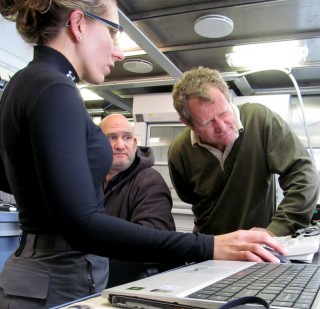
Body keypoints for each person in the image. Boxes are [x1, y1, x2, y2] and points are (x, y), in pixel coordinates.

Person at [0, 1, 286, 308]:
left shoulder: (24, 83)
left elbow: (8, 180)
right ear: (79, 23)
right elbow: (83, 224)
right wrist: (209, 245)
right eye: (113, 33)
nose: (119, 52)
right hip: (56, 277)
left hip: (41, 273)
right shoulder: (55, 88)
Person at [168, 66, 319, 237]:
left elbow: (303, 175)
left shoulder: (260, 119)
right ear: (188, 124)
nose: (222, 127)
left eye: (224, 113)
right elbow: (190, 198)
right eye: (208, 122)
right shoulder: (179, 151)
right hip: (212, 249)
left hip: (261, 247)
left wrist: (277, 230)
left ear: (228, 99)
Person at [100, 114, 177, 287]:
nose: (120, 145)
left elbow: (152, 243)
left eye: (126, 137)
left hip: (126, 286)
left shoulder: (149, 181)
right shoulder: (89, 181)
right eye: (112, 137)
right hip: (91, 282)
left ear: (135, 144)